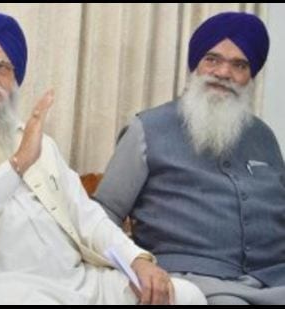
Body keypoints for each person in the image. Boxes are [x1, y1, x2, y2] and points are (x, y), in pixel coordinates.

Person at [0, 12, 206, 305]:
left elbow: (87, 217)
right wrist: (17, 164)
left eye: (2, 67)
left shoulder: (41, 143)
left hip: (80, 281)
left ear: (15, 79)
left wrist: (137, 259)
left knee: (186, 295)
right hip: (7, 286)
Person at [94, 11, 285, 305]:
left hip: (274, 280)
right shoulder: (147, 129)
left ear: (251, 76)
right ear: (195, 64)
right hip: (196, 283)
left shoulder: (264, 137)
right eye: (212, 59)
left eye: (239, 65)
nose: (223, 72)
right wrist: (135, 262)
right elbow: (101, 215)